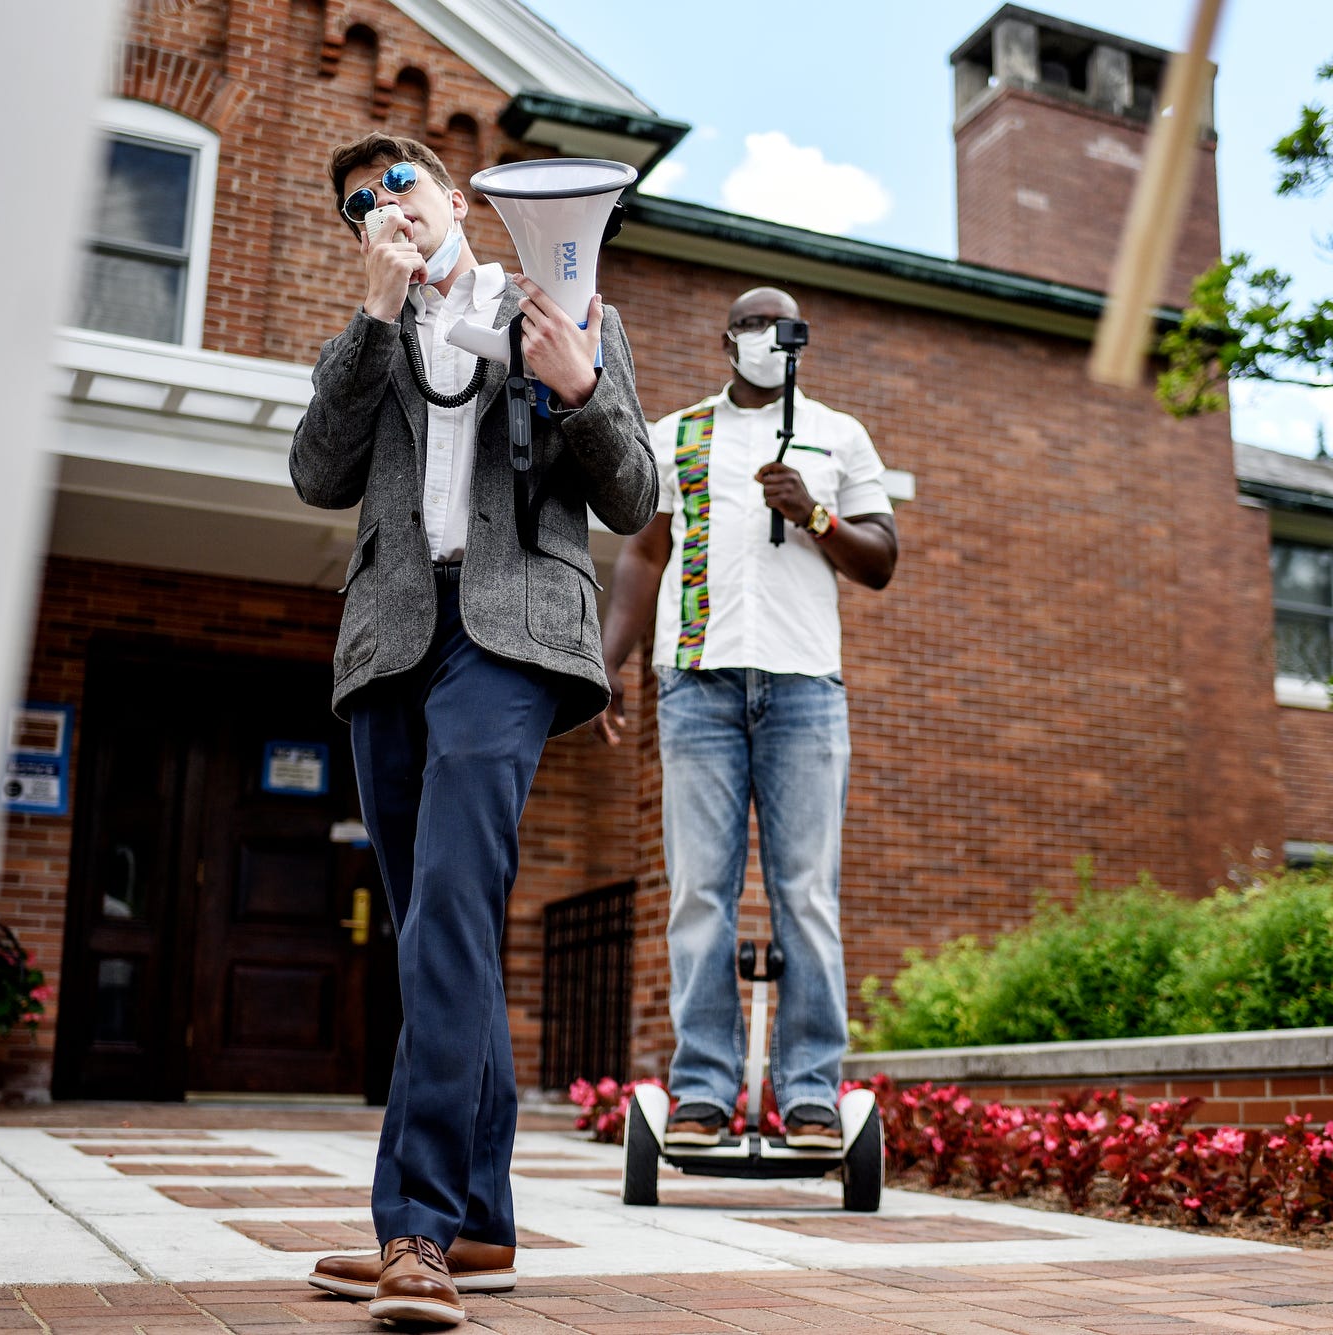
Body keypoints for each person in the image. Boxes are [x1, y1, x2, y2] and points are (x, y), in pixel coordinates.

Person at [289, 132, 656, 1326]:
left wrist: (579, 386)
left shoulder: (562, 307)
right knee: (433, 932)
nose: (382, 206)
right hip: (390, 642)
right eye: (360, 202)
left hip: (507, 637)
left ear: (454, 195)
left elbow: (633, 496)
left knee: (448, 909)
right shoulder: (365, 333)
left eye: (398, 183)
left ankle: (417, 1228)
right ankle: (483, 1222)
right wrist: (372, 319)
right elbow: (317, 475)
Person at [594, 286, 899, 1150]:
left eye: (781, 326)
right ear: (726, 340)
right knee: (699, 892)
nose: (767, 337)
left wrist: (815, 513)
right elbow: (643, 552)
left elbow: (881, 558)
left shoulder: (839, 434)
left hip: (806, 690)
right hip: (696, 684)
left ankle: (809, 1094)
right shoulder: (677, 433)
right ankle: (701, 1089)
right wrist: (606, 660)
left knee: (807, 895)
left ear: (801, 341)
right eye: (752, 324)